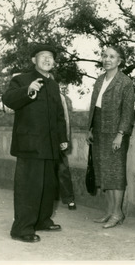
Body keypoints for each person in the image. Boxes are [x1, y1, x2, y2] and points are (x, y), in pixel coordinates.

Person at [2, 44, 68, 243]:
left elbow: (58, 116)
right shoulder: (21, 79)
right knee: (29, 187)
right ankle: (21, 229)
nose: (48, 60)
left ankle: (42, 220)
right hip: (30, 144)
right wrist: (28, 91)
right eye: (43, 56)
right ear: (34, 60)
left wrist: (62, 138)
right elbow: (8, 99)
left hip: (49, 144)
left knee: (48, 185)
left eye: (51, 57)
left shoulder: (54, 85)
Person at [86, 45, 135, 229]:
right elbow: (94, 107)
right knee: (102, 171)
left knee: (115, 173)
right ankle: (109, 211)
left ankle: (118, 213)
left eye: (112, 56)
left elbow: (128, 112)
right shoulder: (99, 80)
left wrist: (120, 134)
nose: (107, 59)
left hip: (115, 132)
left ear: (119, 60)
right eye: (105, 55)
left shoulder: (125, 82)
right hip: (98, 129)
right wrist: (89, 128)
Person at [50, 75, 76, 210]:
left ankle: (69, 199)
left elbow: (65, 119)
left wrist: (65, 139)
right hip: (43, 139)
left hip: (57, 138)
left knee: (62, 169)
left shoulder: (61, 98)